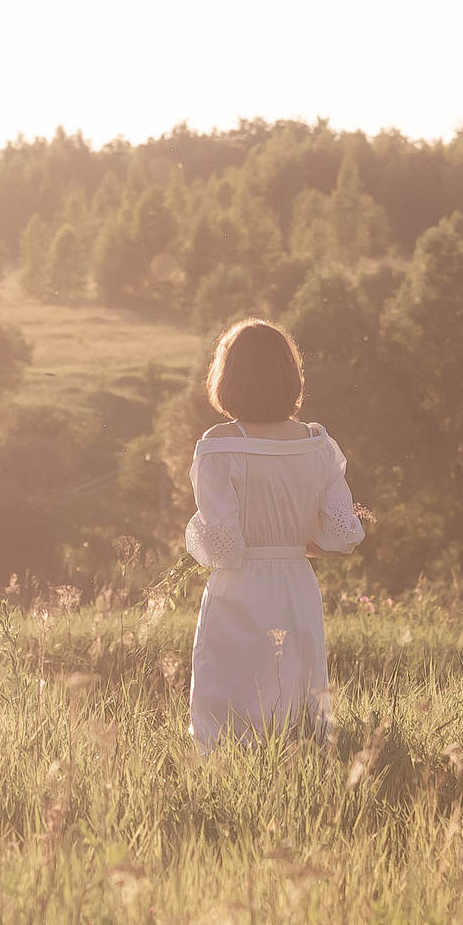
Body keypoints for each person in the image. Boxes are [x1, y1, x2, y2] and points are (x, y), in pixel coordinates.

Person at [183, 319, 365, 749]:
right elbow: (343, 536)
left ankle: (231, 781)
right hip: (296, 585)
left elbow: (222, 547)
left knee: (229, 705)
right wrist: (288, 544)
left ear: (227, 378)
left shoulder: (219, 445)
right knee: (295, 695)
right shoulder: (317, 444)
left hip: (240, 585)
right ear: (290, 376)